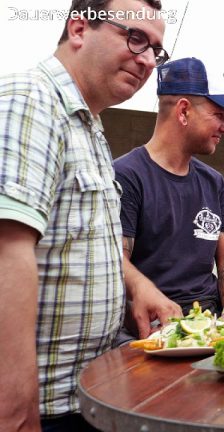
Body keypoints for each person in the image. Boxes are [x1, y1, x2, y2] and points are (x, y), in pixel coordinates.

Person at [0, 0, 167, 430]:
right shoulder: (29, 99)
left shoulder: (87, 124)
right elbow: (6, 254)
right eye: (135, 38)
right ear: (79, 28)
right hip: (43, 408)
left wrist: (137, 285)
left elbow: (82, 238)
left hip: (87, 395)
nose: (147, 59)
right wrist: (16, 413)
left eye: (155, 50)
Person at [114, 57, 224, 342]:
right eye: (219, 115)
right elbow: (115, 259)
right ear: (184, 111)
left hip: (211, 324)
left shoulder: (212, 181)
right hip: (150, 332)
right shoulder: (126, 174)